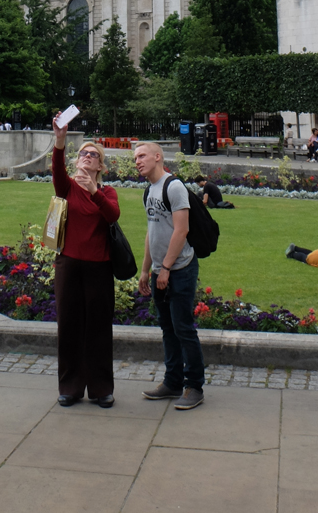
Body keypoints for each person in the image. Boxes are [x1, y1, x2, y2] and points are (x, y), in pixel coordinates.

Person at [51, 114, 120, 409]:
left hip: (99, 266)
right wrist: (61, 139)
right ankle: (70, 386)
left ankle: (101, 388)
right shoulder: (67, 188)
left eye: (94, 155)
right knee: (69, 326)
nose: (88, 157)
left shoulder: (106, 192)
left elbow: (112, 216)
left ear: (100, 166)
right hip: (68, 263)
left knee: (99, 328)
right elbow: (55, 169)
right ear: (77, 161)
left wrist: (94, 191)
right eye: (84, 154)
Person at [134, 141, 206, 411]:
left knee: (183, 328)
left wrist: (165, 267)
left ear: (157, 156)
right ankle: (173, 381)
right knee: (168, 329)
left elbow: (181, 230)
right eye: (135, 158)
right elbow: (152, 232)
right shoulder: (149, 190)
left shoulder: (173, 187)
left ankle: (194, 385)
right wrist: (145, 269)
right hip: (159, 270)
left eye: (142, 156)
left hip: (180, 270)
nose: (138, 161)